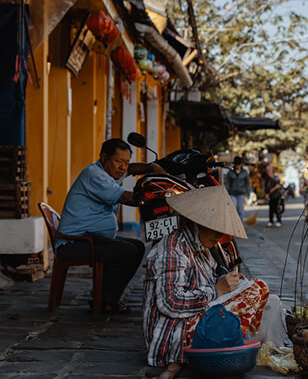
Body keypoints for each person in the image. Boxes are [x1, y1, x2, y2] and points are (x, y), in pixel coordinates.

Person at [143, 185, 271, 378]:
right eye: (214, 229)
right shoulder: (173, 250)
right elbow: (170, 303)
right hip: (176, 332)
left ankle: (231, 341)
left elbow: (205, 281)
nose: (219, 236)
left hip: (194, 315)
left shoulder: (202, 247)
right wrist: (217, 290)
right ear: (196, 223)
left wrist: (228, 283)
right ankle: (217, 348)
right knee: (255, 290)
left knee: (258, 287)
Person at [57, 138, 163, 313]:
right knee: (126, 251)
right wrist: (157, 194)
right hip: (74, 243)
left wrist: (151, 167)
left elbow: (131, 169)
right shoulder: (94, 175)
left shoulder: (108, 172)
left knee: (137, 246)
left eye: (125, 161)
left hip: (92, 238)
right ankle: (104, 300)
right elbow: (127, 198)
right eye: (118, 161)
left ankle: (106, 295)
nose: (122, 167)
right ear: (104, 157)